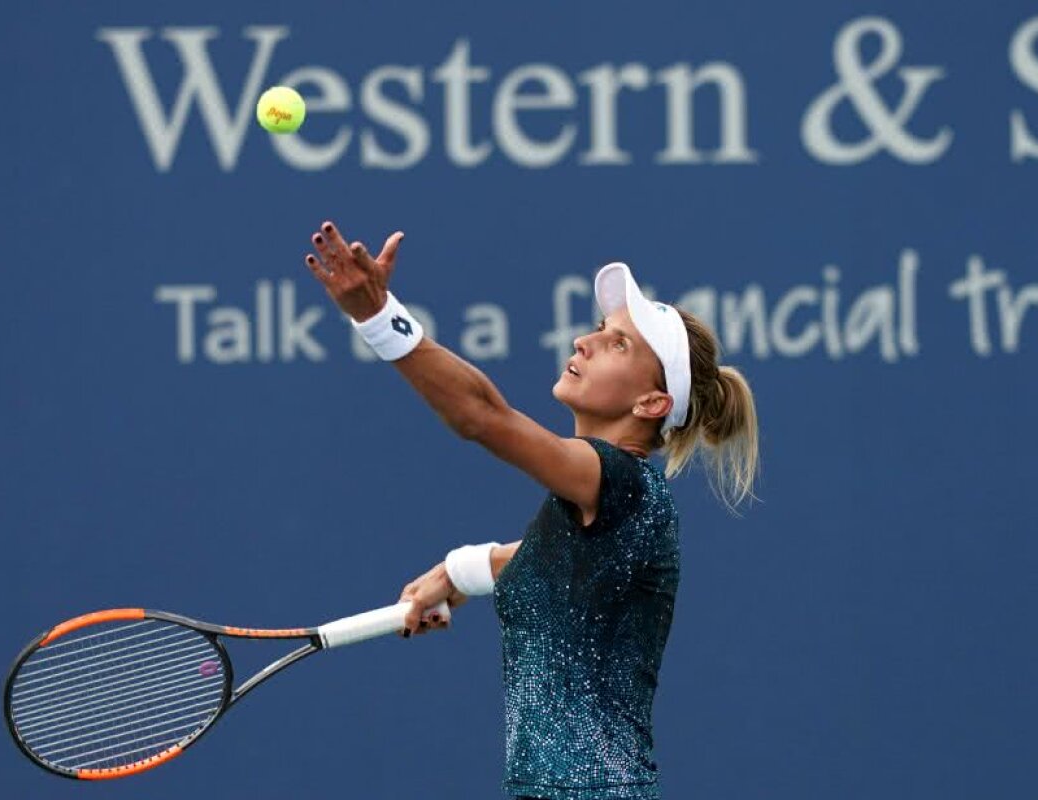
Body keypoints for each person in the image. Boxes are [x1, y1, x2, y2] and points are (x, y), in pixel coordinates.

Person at [304, 220, 759, 800]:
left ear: (652, 401)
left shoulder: (616, 480)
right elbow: (546, 563)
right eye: (599, 329)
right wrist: (458, 570)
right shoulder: (616, 507)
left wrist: (378, 317)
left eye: (617, 343)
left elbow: (482, 418)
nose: (583, 343)